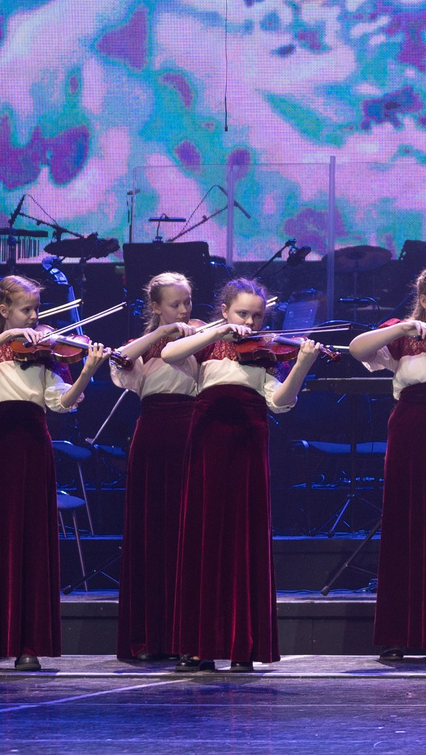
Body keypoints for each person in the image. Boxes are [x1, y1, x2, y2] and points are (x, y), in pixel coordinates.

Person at [164, 280, 326, 672]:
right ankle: (198, 645)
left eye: (257, 316)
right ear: (224, 311)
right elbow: (169, 353)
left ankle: (243, 645)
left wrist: (302, 363)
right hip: (207, 445)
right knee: (204, 539)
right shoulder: (207, 341)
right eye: (242, 314)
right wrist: (216, 332)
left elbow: (280, 402)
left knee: (244, 540)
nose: (251, 322)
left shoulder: (265, 354)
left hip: (249, 446)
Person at [0, 275, 110, 670]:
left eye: (37, 310)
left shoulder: (43, 356)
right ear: (4, 310)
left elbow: (61, 404)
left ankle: (29, 644)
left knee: (32, 541)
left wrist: (88, 371)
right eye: (27, 310)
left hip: (33, 443)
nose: (36, 318)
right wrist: (2, 338)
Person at [350, 264, 426, 662]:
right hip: (412, 432)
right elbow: (357, 349)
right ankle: (399, 634)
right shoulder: (403, 335)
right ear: (424, 301)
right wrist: (403, 328)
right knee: (406, 524)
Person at [111, 272, 203, 665]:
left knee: (189, 535)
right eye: (174, 304)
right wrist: (163, 332)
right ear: (156, 307)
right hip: (153, 436)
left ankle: (189, 636)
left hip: (194, 433)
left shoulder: (203, 337)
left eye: (187, 303)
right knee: (151, 533)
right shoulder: (144, 345)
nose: (184, 311)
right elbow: (121, 360)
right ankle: (147, 635)